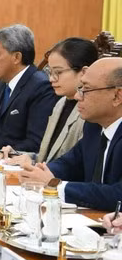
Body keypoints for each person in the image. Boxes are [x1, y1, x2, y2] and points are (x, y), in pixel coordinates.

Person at [19, 58, 122, 211]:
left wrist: (56, 186)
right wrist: (40, 173)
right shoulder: (93, 127)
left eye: (85, 89)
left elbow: (118, 195)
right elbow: (70, 163)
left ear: (117, 96)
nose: (77, 96)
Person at [0, 38, 98, 166]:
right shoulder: (60, 103)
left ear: (83, 72)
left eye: (58, 72)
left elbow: (76, 166)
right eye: (50, 72)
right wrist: (20, 155)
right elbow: (49, 157)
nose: (51, 79)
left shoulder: (91, 112)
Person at [0, 24, 58, 153]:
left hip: (13, 163)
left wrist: (3, 153)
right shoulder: (4, 80)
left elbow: (35, 142)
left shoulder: (41, 87)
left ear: (16, 57)